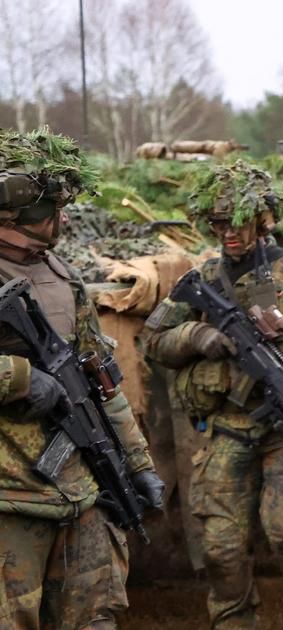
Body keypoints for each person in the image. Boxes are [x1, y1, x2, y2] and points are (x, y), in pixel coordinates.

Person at [143, 160, 283, 629]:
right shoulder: (203, 280)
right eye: (218, 224)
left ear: (262, 221)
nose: (227, 233)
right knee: (221, 547)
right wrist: (197, 337)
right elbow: (154, 341)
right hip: (229, 428)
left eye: (236, 223)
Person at [0, 127, 163, 629]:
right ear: (15, 219)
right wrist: (22, 378)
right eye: (52, 213)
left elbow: (101, 380)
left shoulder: (63, 276)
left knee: (96, 618)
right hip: (11, 495)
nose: (63, 221)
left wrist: (138, 465)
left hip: (81, 485)